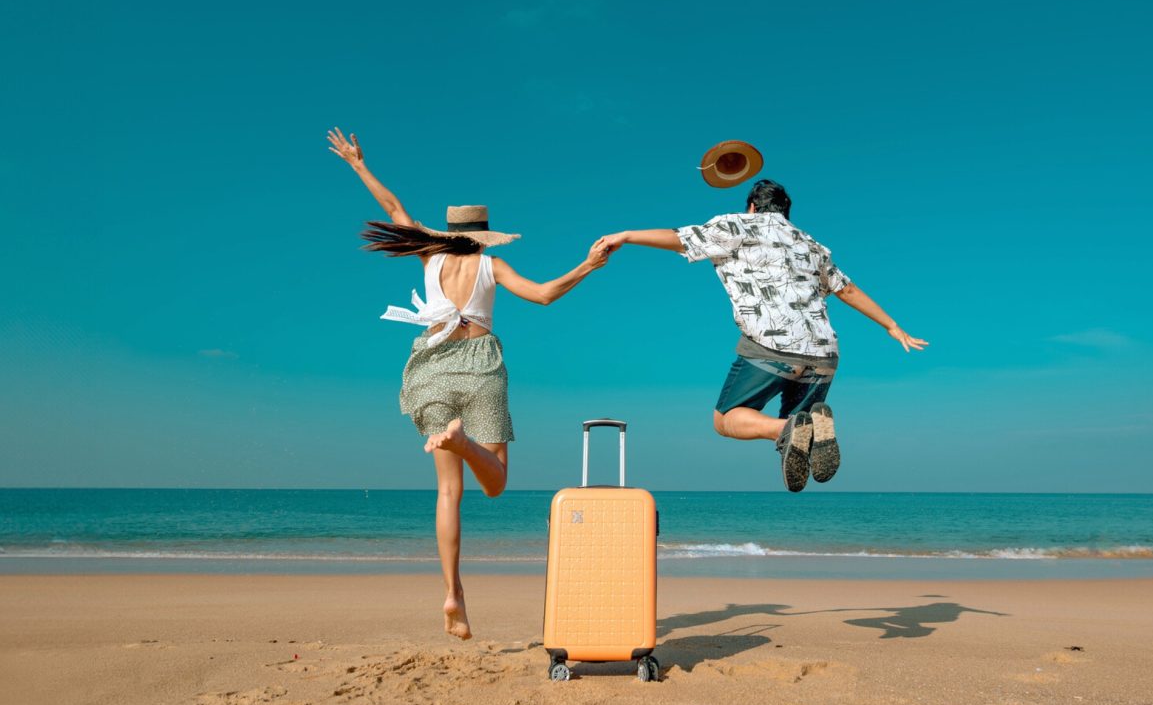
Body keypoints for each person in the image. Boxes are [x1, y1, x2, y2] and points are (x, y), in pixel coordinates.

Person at [328, 128, 609, 639]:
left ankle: (453, 593)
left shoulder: (429, 256)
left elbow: (393, 205)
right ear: (484, 235)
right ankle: (463, 441)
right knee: (496, 483)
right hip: (479, 366)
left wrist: (357, 164)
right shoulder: (491, 264)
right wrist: (588, 265)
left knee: (447, 493)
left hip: (431, 367)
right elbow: (545, 295)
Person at [600, 179, 926, 492]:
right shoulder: (810, 244)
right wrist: (891, 325)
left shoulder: (738, 225)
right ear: (786, 212)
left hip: (771, 346)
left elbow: (679, 238)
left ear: (753, 207)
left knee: (726, 419)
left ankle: (785, 429)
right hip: (824, 355)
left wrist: (627, 236)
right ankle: (798, 427)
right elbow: (848, 289)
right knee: (800, 427)